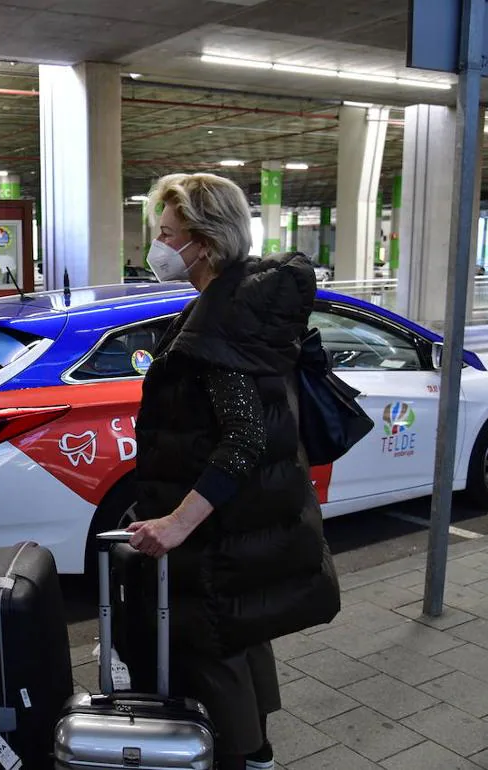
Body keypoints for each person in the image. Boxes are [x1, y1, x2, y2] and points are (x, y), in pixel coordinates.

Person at [127, 173, 340, 770]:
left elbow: (245, 439)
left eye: (168, 234)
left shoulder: (225, 324)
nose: (158, 245)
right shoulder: (232, 304)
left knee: (213, 647)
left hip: (218, 534)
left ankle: (246, 758)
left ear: (205, 241)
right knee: (241, 639)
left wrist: (177, 522)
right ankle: (261, 753)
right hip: (243, 524)